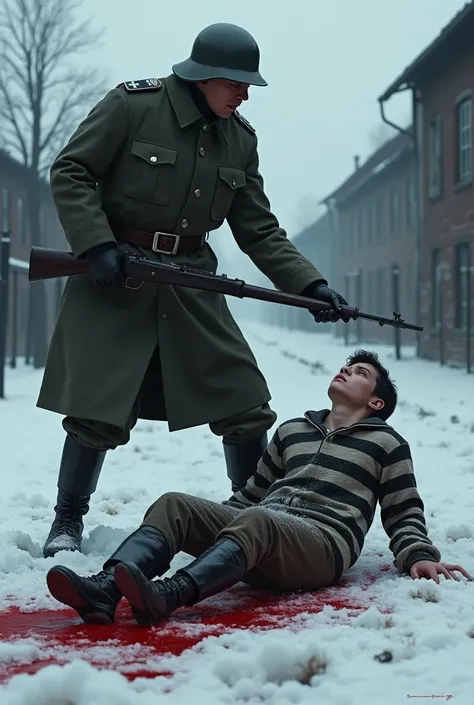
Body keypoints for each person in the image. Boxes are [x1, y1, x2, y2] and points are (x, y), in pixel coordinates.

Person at [38, 22, 349, 560]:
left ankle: (253, 519)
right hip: (118, 274)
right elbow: (71, 170)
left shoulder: (240, 139)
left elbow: (258, 228)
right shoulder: (133, 106)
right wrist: (96, 244)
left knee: (244, 399)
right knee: (97, 409)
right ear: (204, 77)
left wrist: (311, 284)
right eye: (236, 82)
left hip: (191, 281)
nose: (245, 93)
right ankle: (67, 520)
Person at [46, 349, 471, 626]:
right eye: (345, 365)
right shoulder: (292, 431)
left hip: (320, 546)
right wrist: (208, 526)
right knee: (175, 504)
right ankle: (104, 590)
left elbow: (403, 510)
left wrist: (417, 554)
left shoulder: (387, 444)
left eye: (359, 373)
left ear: (376, 403)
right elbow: (250, 495)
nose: (345, 370)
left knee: (258, 519)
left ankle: (167, 596)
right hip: (261, 532)